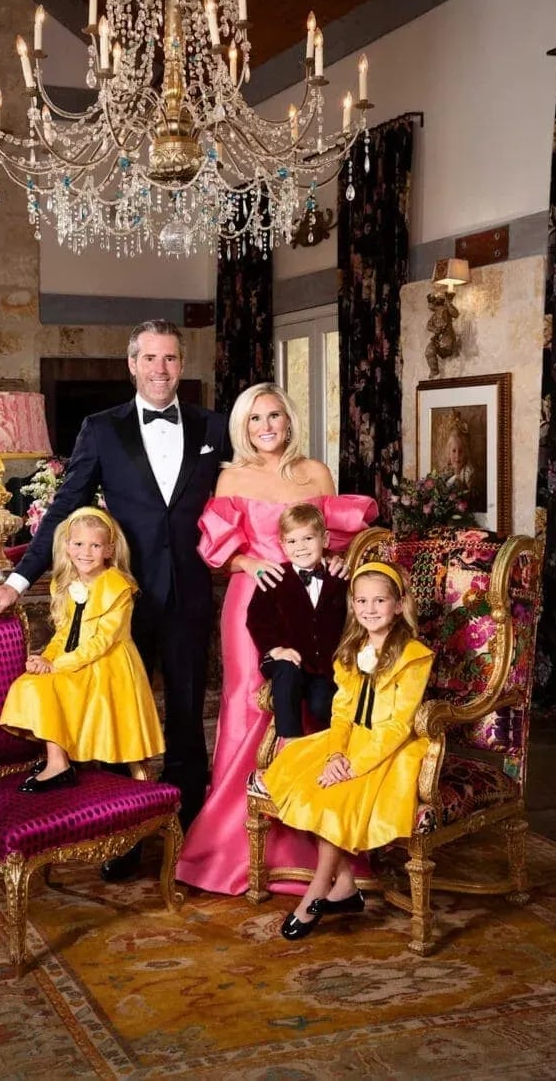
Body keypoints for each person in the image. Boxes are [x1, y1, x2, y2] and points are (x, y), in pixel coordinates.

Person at [0, 321, 229, 858]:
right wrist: (18, 578)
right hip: (118, 600)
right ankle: (122, 838)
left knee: (187, 714)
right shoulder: (101, 428)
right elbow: (67, 507)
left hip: (189, 592)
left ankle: (190, 835)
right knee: (114, 715)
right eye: (149, 359)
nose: (160, 369)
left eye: (169, 359)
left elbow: (245, 498)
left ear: (181, 366)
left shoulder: (215, 426)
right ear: (132, 365)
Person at [175, 382, 378, 895]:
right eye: (254, 420)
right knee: (251, 705)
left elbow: (336, 540)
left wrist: (336, 558)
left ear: (289, 420)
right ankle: (235, 846)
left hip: (313, 608)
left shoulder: (316, 473)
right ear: (242, 428)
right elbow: (221, 551)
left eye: (274, 417)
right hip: (255, 599)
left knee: (316, 701)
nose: (265, 427)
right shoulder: (230, 477)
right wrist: (249, 560)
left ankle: (320, 842)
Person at [260, 562, 434, 940]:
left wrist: (353, 766)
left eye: (380, 600)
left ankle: (316, 893)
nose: (370, 609)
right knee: (303, 782)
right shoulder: (350, 651)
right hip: (350, 741)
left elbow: (397, 725)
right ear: (353, 606)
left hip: (391, 749)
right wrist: (336, 755)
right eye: (362, 601)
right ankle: (345, 888)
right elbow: (341, 713)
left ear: (400, 605)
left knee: (339, 798)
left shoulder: (415, 656)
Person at [0, 507, 164, 791]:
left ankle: (59, 763)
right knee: (30, 684)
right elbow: (64, 632)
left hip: (107, 666)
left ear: (109, 550)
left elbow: (102, 641)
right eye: (78, 544)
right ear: (67, 546)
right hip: (72, 661)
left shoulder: (118, 588)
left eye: (95, 545)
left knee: (53, 686)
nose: (85, 552)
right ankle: (57, 759)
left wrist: (58, 666)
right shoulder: (66, 584)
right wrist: (46, 658)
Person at [246, 502, 348, 744]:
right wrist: (275, 649)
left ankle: (331, 750)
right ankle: (288, 742)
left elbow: (352, 618)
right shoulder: (275, 578)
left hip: (324, 663)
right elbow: (257, 620)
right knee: (287, 673)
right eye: (292, 541)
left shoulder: (339, 578)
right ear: (282, 545)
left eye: (308, 539)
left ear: (325, 540)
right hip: (285, 657)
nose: (300, 548)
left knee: (322, 703)